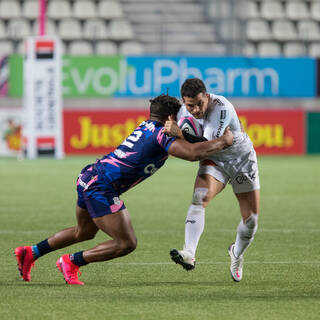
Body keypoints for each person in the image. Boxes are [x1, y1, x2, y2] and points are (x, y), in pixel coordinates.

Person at [14, 94, 233, 285]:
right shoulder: (161, 134)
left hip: (89, 176)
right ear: (170, 118)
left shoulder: (146, 126)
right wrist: (223, 141)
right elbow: (193, 154)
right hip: (102, 187)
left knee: (85, 232)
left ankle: (31, 252)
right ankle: (71, 262)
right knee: (126, 243)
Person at [164, 78, 260, 282]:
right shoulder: (181, 110)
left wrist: (179, 133)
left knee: (251, 220)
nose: (197, 109)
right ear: (184, 102)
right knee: (200, 197)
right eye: (191, 105)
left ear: (207, 96)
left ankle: (236, 253)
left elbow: (206, 145)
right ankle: (189, 253)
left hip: (241, 159)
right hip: (215, 160)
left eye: (200, 103)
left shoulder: (221, 108)